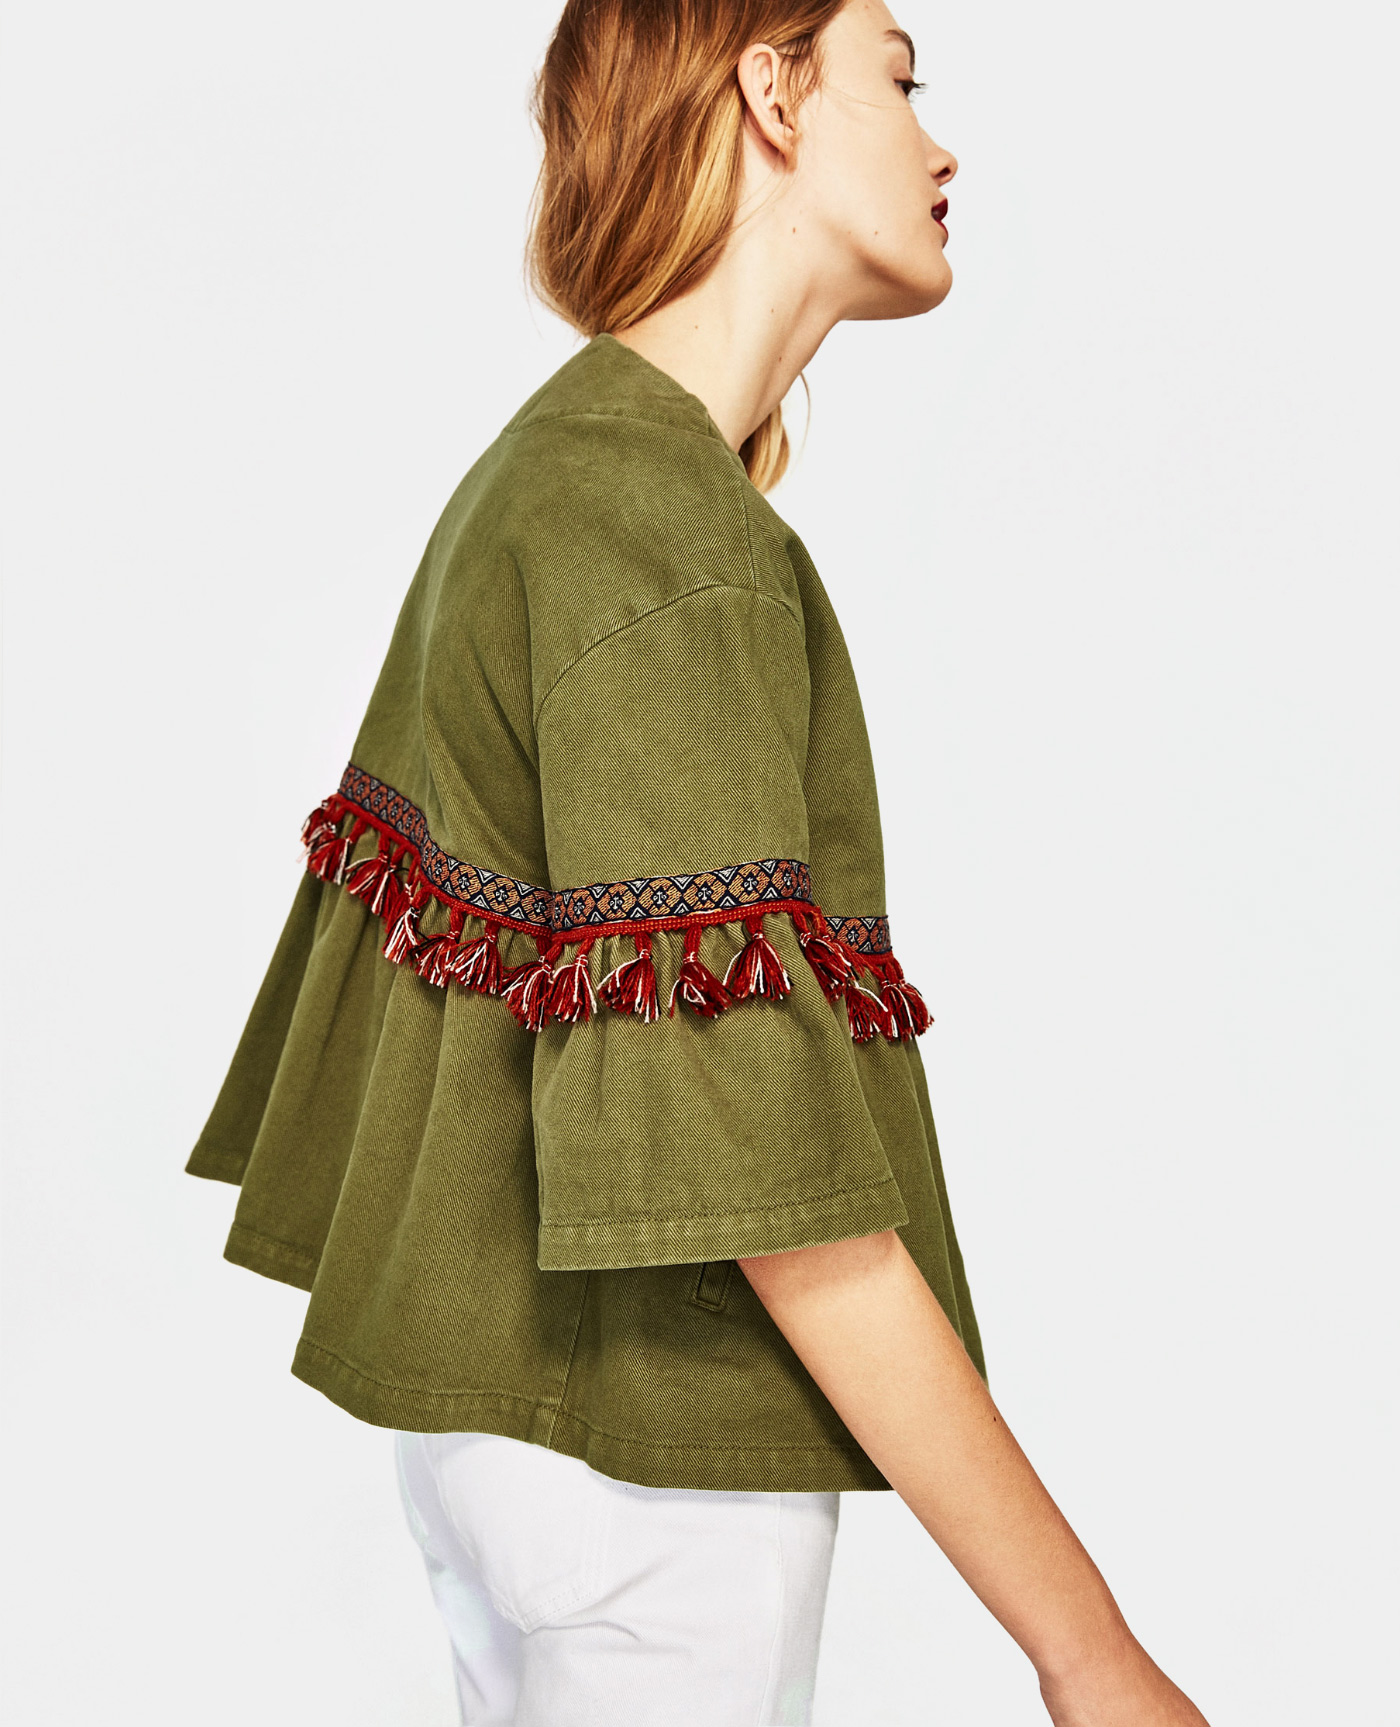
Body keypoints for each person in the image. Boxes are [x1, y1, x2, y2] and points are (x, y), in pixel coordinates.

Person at [187, 1, 1212, 1723]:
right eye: (900, 77)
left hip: (520, 1447)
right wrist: (1089, 1655)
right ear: (772, 91)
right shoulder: (667, 538)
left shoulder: (561, 472)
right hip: (650, 1487)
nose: (942, 144)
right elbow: (774, 1194)